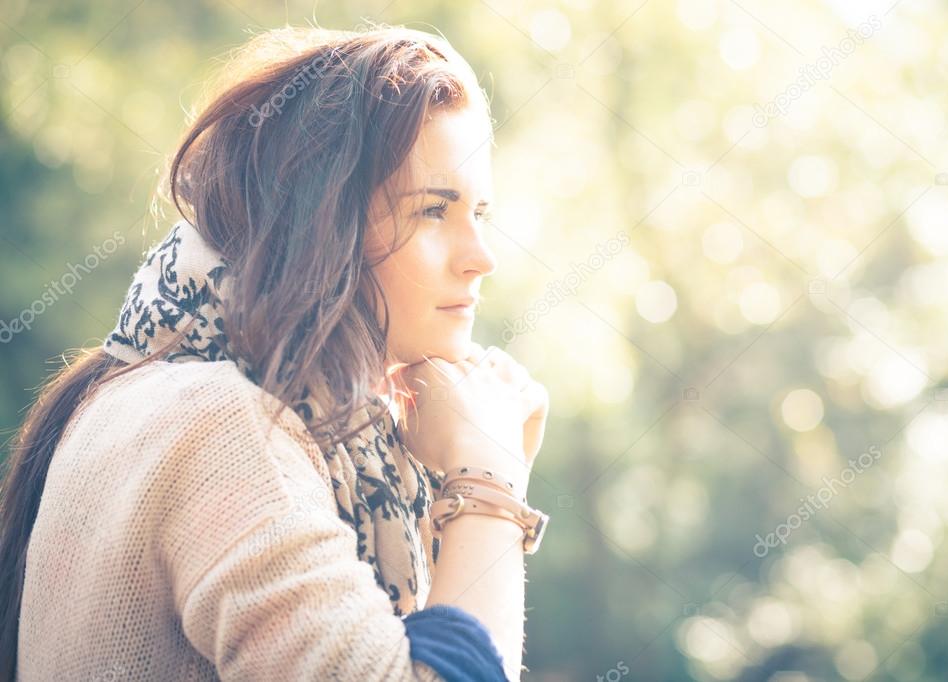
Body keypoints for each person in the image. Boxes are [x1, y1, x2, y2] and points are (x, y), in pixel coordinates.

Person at [0, 24, 550, 681]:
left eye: (479, 214)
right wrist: (486, 484)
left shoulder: (175, 392)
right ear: (322, 226)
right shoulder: (216, 426)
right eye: (433, 211)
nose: (480, 257)